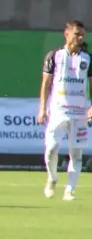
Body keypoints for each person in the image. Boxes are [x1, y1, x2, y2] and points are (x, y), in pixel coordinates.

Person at [38, 20, 88, 202]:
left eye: (82, 34)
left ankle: (70, 190)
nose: (80, 37)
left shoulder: (88, 59)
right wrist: (42, 108)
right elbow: (46, 84)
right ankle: (51, 178)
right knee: (51, 148)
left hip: (79, 113)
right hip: (58, 111)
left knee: (76, 153)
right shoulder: (54, 56)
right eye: (77, 34)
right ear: (66, 34)